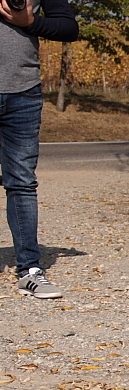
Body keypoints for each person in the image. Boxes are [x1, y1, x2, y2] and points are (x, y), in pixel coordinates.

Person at [0, 0, 78, 299]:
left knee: (21, 182)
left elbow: (69, 27)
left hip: (23, 91)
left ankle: (29, 272)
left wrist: (29, 22)